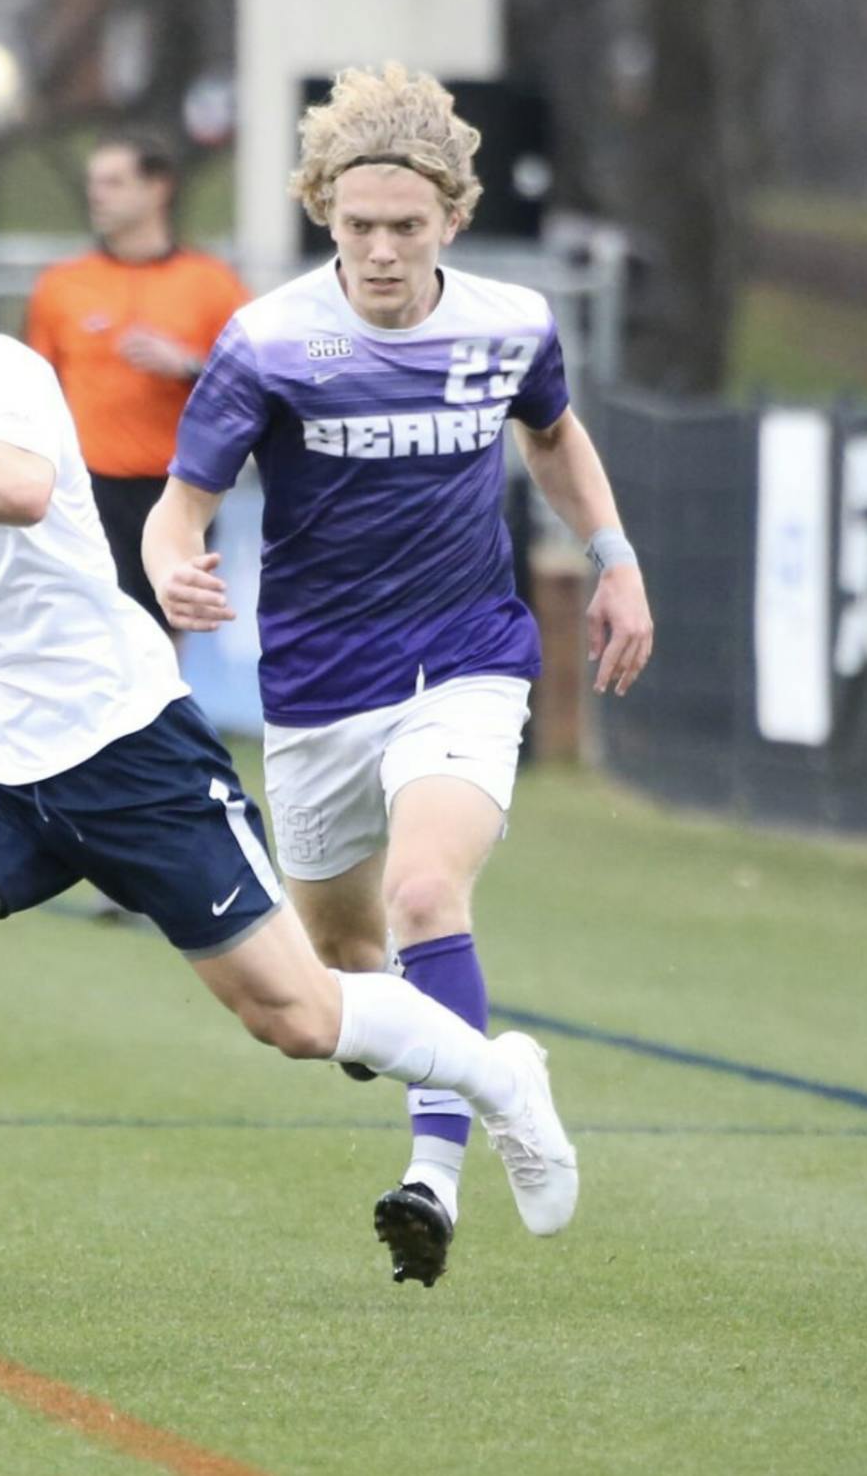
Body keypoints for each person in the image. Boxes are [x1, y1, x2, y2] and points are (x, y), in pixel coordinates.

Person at [0, 166, 579, 1298]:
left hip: (128, 753)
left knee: (297, 1016)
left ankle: (499, 1079)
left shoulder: (0, 374)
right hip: (0, 774)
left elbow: (18, 488)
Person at [144, 64, 654, 1288]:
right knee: (334, 987)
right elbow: (181, 508)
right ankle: (487, 1066)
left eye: (405, 228)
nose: (379, 252)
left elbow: (552, 433)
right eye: (357, 226)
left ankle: (435, 1176)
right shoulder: (266, 341)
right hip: (318, 687)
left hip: (466, 657)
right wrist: (173, 569)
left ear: (451, 221)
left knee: (428, 894)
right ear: (324, 212)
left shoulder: (507, 322)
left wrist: (614, 560)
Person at [25, 133, 248, 632]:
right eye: (93, 183)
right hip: (88, 488)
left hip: (181, 488)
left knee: (164, 635)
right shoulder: (61, 286)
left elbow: (255, 388)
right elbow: (34, 388)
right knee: (100, 630)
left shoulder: (211, 283)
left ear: (158, 188)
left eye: (114, 182)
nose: (97, 194)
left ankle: (162, 709)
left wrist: (188, 364)